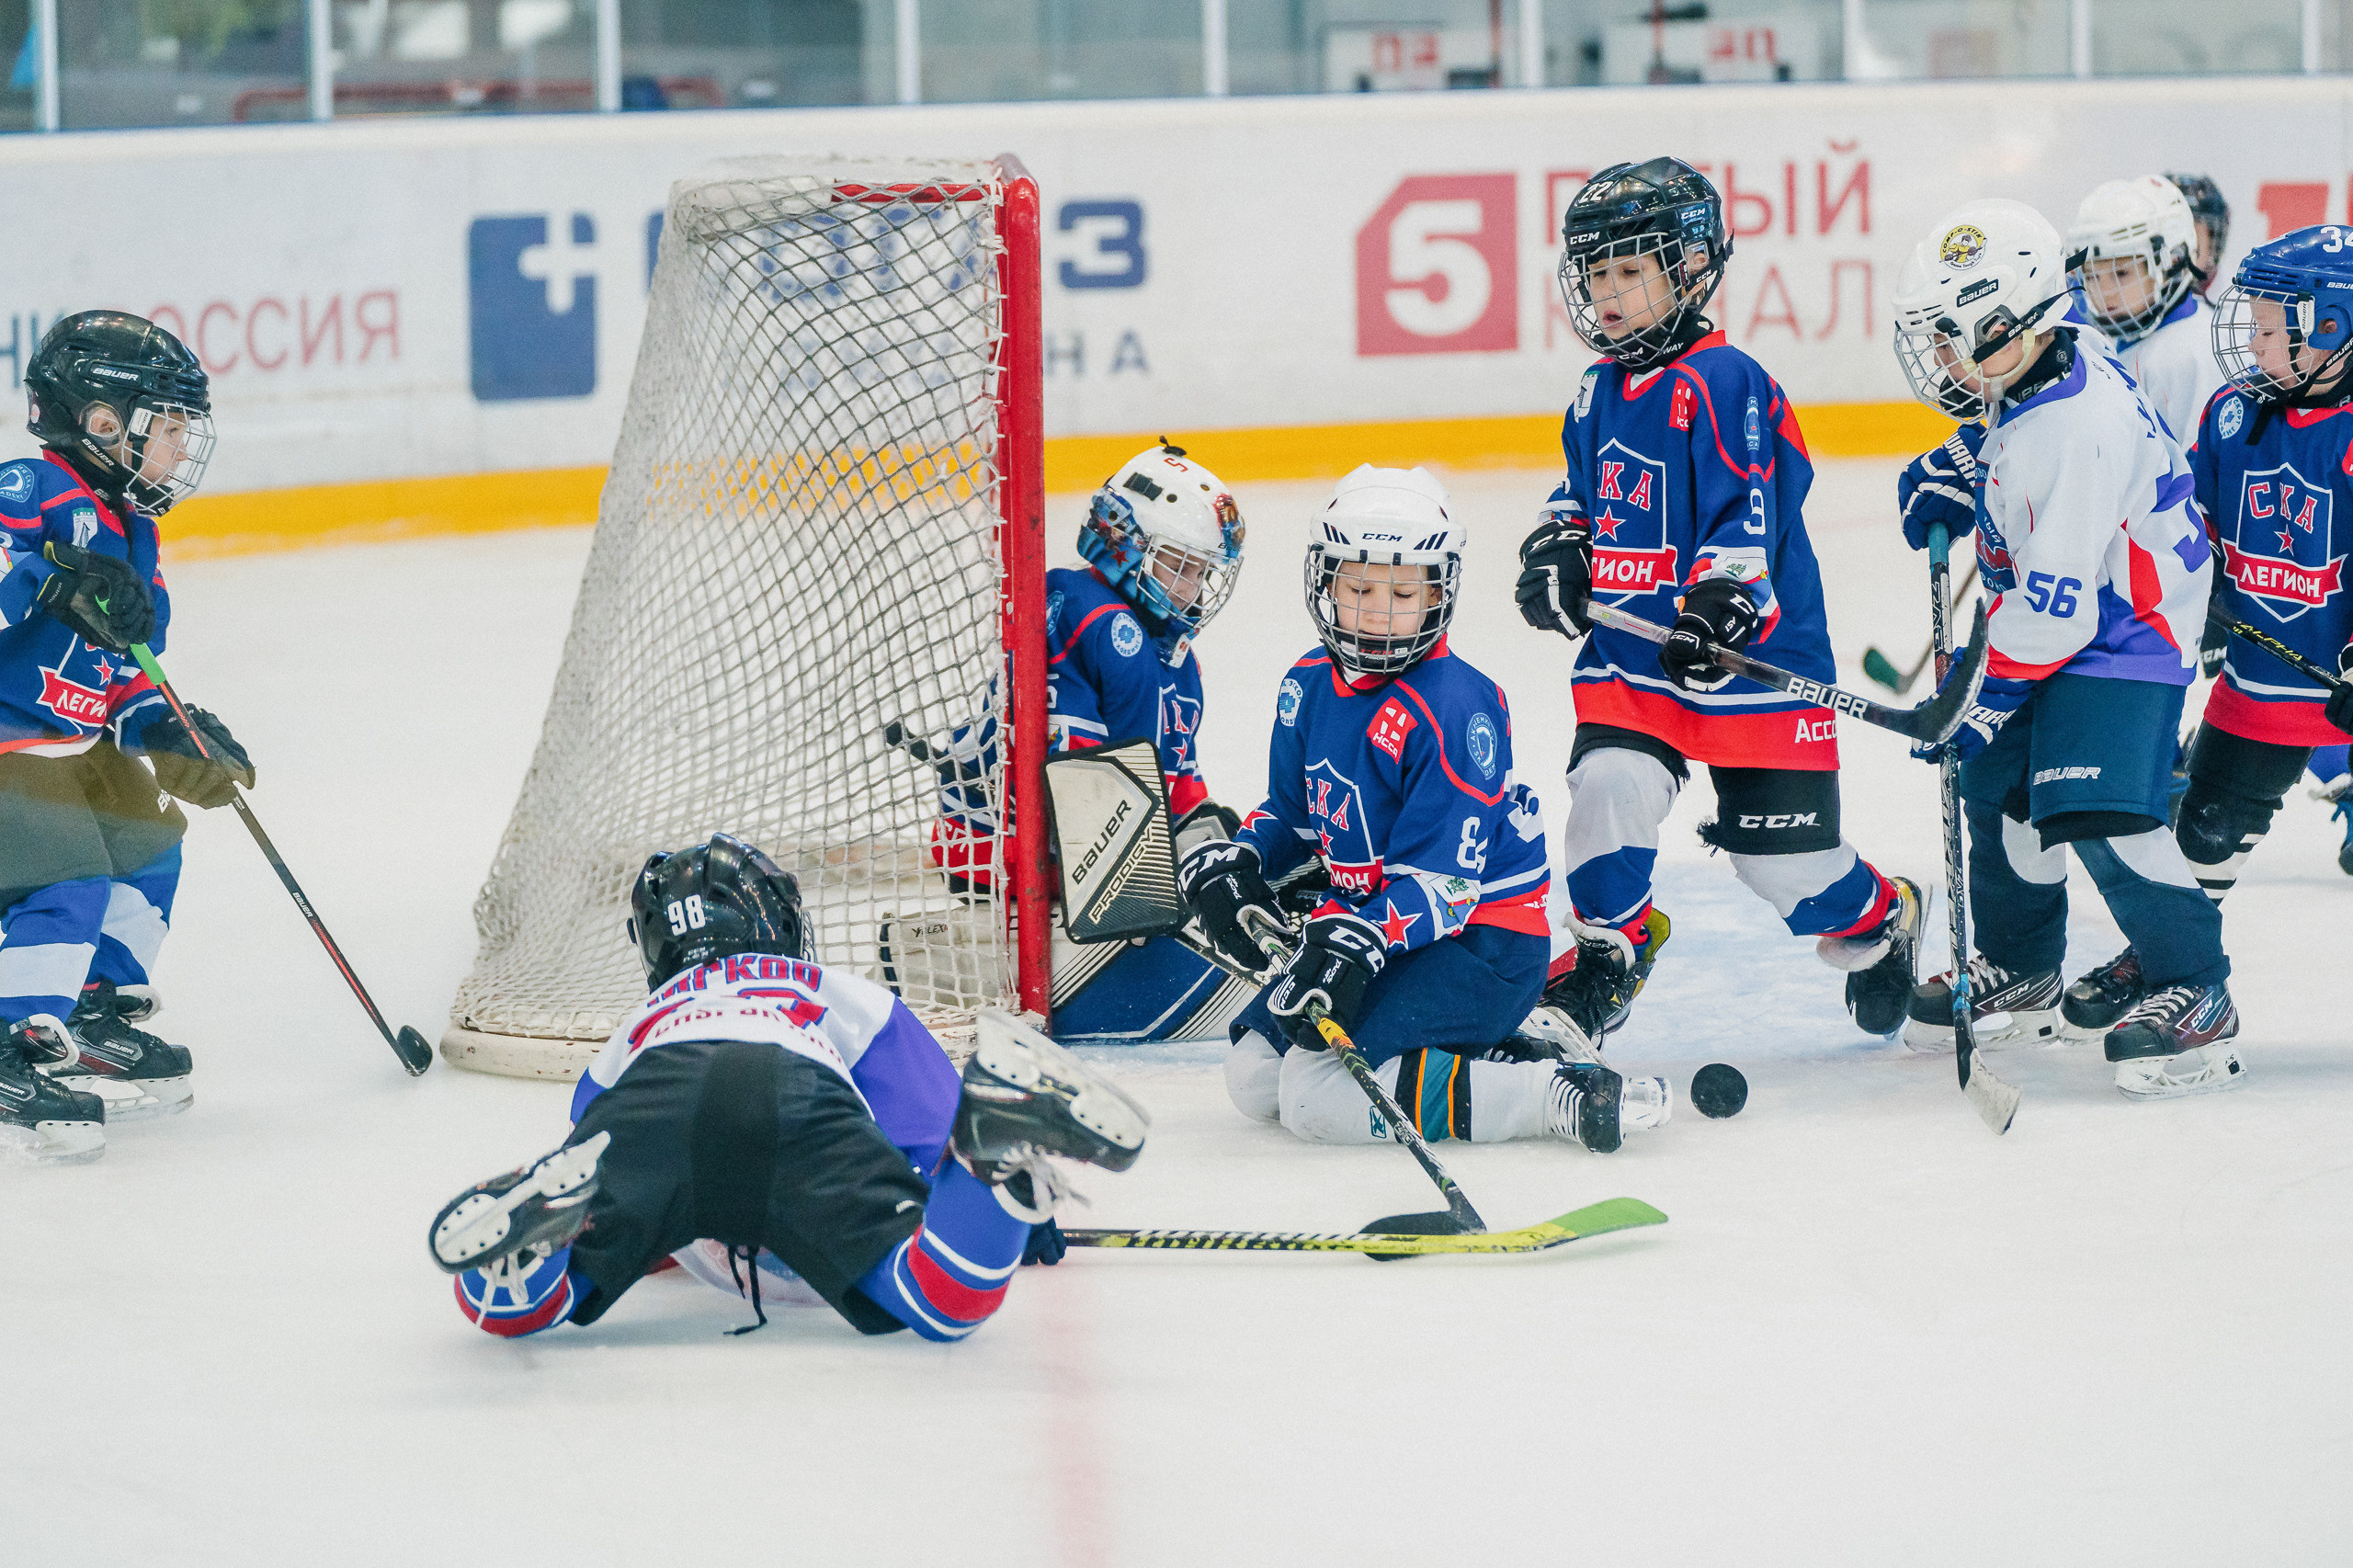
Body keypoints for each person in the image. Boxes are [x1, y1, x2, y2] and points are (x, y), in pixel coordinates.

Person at [1513, 156, 1922, 1047]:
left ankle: (1885, 915)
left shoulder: (1726, 379)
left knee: (1784, 868)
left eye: (1630, 270)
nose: (1608, 294)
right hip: (1634, 657)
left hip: (1751, 657)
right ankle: (1606, 957)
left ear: (1691, 267)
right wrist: (1558, 545)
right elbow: (1583, 491)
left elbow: (1751, 508)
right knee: (1608, 785)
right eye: (1596, 274)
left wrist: (1719, 603)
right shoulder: (1594, 390)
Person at [429, 833, 1146, 1341]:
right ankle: (999, 1154)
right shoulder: (830, 989)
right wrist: (987, 1213)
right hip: (791, 1088)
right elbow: (931, 1130)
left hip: (657, 1087)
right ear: (777, 921)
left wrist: (633, 1225)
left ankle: (523, 1251)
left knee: (518, 1310)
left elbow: (593, 1144)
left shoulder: (642, 1023)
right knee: (939, 1296)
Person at [1176, 463, 1667, 1154]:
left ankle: (1545, 1094)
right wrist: (1243, 857)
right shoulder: (1305, 685)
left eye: (1404, 592)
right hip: (1375, 929)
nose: (1379, 612)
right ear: (1325, 584)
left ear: (1439, 593)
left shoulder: (1455, 708)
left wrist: (1357, 938)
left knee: (1318, 1099)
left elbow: (1447, 889)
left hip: (1481, 946)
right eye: (1360, 588)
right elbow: (1294, 815)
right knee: (1255, 1079)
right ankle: (1477, 1059)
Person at [1890, 198, 2237, 1100]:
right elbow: (2011, 446)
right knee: (1994, 783)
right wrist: (1962, 458)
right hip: (2069, 612)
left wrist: (1977, 701)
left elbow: (2056, 616)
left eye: (1953, 337)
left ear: (2012, 324)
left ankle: (2196, 986)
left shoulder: (2075, 432)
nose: (1940, 358)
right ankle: (2022, 966)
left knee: (2098, 808)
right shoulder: (2051, 356)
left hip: (2128, 629)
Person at [2063, 228, 2353, 1029]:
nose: (2250, 342)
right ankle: (2164, 956)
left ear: (2330, 328)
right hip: (2262, 685)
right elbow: (2192, 526)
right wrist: (2202, 593)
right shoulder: (2233, 416)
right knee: (2204, 834)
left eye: (2268, 328)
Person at [900, 443, 1257, 1044]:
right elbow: (1077, 788)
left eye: (1201, 571)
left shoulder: (1176, 661)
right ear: (1125, 545)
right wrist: (1153, 884)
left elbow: (1175, 783)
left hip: (1083, 850)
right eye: (1179, 565)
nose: (1193, 588)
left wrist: (1213, 843)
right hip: (1001, 853)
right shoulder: (1091, 619)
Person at [0, 311, 248, 1164]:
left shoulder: (135, 534)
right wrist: (47, 579)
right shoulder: (26, 492)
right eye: (168, 428)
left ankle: (88, 1007)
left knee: (148, 843)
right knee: (64, 868)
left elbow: (121, 669)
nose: (180, 449)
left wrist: (167, 727)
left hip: (63, 750)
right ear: (103, 423)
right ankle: (11, 1038)